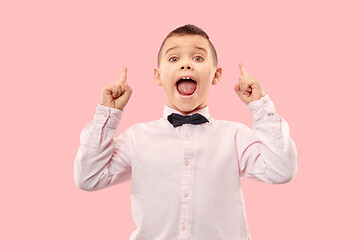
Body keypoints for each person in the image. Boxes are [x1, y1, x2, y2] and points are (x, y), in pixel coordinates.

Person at [74, 24, 297, 240]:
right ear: (158, 75)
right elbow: (88, 177)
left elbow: (282, 170)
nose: (186, 65)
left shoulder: (235, 136)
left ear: (216, 75)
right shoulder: (136, 138)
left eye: (198, 58)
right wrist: (109, 113)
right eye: (174, 58)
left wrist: (260, 105)